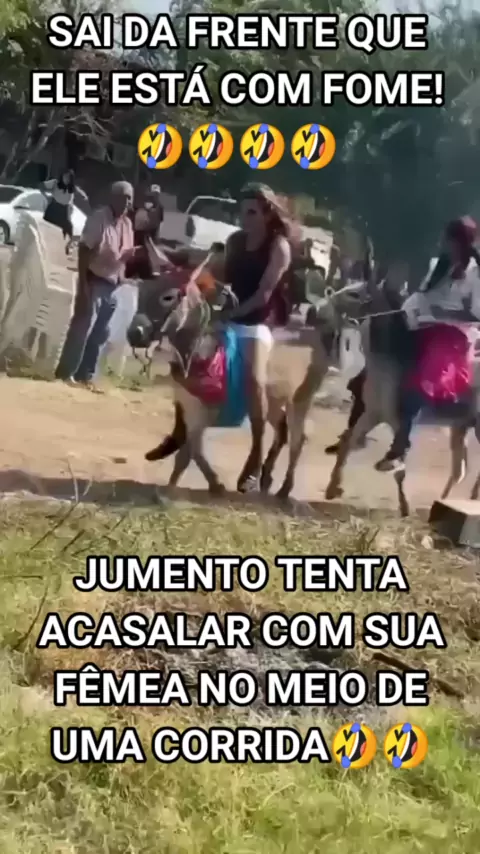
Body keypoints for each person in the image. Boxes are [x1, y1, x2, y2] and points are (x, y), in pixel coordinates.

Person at [144, 185, 299, 488]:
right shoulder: (235, 241)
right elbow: (220, 274)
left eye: (251, 212)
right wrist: (190, 270)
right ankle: (181, 430)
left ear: (267, 214)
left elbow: (264, 294)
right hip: (227, 318)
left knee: (254, 379)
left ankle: (256, 452)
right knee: (186, 364)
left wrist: (233, 313)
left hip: (256, 324)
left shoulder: (279, 247)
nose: (245, 218)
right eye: (242, 212)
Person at [374, 215, 480, 471]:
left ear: (462, 243)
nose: (445, 244)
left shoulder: (476, 274)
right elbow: (421, 297)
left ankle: (401, 448)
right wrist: (407, 310)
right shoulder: (438, 265)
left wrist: (444, 313)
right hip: (423, 325)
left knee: (424, 376)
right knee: (384, 343)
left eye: (450, 240)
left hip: (453, 336)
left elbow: (476, 314)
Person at [54, 181, 134, 391]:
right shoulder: (99, 218)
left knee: (100, 333)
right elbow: (84, 250)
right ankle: (66, 374)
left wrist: (124, 274)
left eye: (130, 198)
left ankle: (85, 376)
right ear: (114, 197)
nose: (128, 202)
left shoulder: (127, 224)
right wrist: (83, 286)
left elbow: (123, 255)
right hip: (94, 280)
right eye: (124, 197)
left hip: (113, 284)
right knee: (82, 328)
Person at [43, 170, 87, 254]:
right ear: (62, 177)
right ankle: (48, 245)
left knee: (69, 228)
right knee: (49, 226)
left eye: (68, 178)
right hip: (54, 208)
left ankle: (68, 246)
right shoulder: (55, 183)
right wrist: (46, 195)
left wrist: (84, 196)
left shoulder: (72, 188)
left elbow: (82, 194)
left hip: (64, 210)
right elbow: (42, 185)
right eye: (65, 177)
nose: (66, 179)